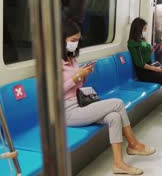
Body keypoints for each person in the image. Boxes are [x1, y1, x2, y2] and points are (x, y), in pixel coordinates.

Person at [61, 20, 154, 175]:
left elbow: (76, 85)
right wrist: (77, 77)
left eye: (77, 40)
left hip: (79, 105)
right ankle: (133, 144)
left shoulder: (72, 59)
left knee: (114, 117)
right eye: (72, 40)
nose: (76, 44)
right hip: (67, 112)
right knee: (117, 104)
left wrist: (83, 75)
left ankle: (119, 164)